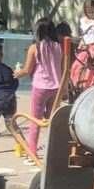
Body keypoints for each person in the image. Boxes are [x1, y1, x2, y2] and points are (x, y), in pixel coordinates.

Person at [13, 18, 64, 163]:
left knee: (35, 121)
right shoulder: (58, 46)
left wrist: (17, 73)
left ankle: (32, 153)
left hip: (40, 87)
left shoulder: (34, 47)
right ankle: (53, 152)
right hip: (56, 87)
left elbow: (27, 69)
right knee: (52, 121)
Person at [71, 0, 94, 93]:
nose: (90, 13)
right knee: (77, 65)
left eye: (92, 11)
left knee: (91, 68)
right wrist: (81, 42)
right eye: (88, 11)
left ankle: (89, 86)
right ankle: (77, 85)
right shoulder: (82, 20)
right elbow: (82, 35)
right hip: (84, 46)